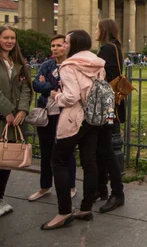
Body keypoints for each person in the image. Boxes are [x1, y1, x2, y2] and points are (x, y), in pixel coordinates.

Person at [42, 30, 105, 230]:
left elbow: (71, 97)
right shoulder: (97, 62)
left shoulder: (69, 66)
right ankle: (86, 208)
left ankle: (64, 212)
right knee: (90, 162)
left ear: (74, 44)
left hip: (75, 118)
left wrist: (55, 96)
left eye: (67, 42)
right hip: (93, 118)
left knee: (58, 160)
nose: (64, 45)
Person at [29, 34, 77, 203]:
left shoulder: (71, 65)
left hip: (64, 114)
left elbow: (68, 87)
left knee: (66, 152)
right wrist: (51, 89)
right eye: (52, 46)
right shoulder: (47, 65)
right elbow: (36, 84)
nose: (55, 48)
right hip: (46, 114)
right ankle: (44, 186)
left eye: (58, 45)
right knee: (45, 151)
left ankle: (71, 185)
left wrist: (48, 84)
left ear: (66, 46)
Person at [0, 25, 32, 217]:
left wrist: (22, 110)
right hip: (3, 117)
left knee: (6, 161)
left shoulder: (18, 61)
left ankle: (0, 197)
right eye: (6, 38)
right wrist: (8, 111)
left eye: (13, 38)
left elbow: (26, 87)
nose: (10, 41)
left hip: (15, 120)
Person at [94, 19, 125, 213]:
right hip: (111, 104)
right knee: (102, 148)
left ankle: (117, 193)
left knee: (106, 150)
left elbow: (104, 78)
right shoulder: (116, 47)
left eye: (97, 28)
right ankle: (102, 189)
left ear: (104, 31)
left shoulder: (107, 48)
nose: (95, 31)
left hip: (107, 106)